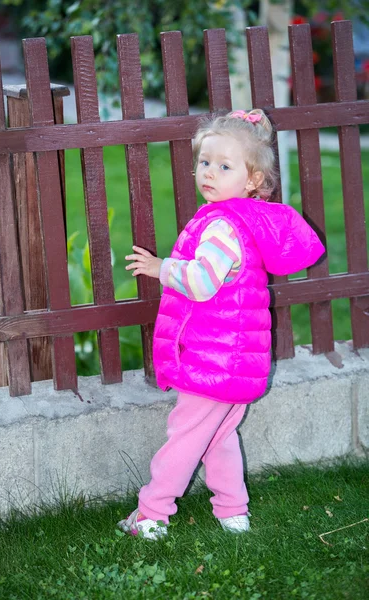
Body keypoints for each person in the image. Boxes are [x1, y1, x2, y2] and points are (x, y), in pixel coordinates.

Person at [119, 109, 325, 540]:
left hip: (212, 357)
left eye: (224, 166)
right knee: (220, 436)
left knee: (185, 438)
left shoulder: (220, 226)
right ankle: (233, 512)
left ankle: (152, 514)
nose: (209, 173)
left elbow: (201, 281)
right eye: (205, 162)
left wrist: (162, 268)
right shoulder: (246, 220)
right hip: (237, 360)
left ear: (251, 180)